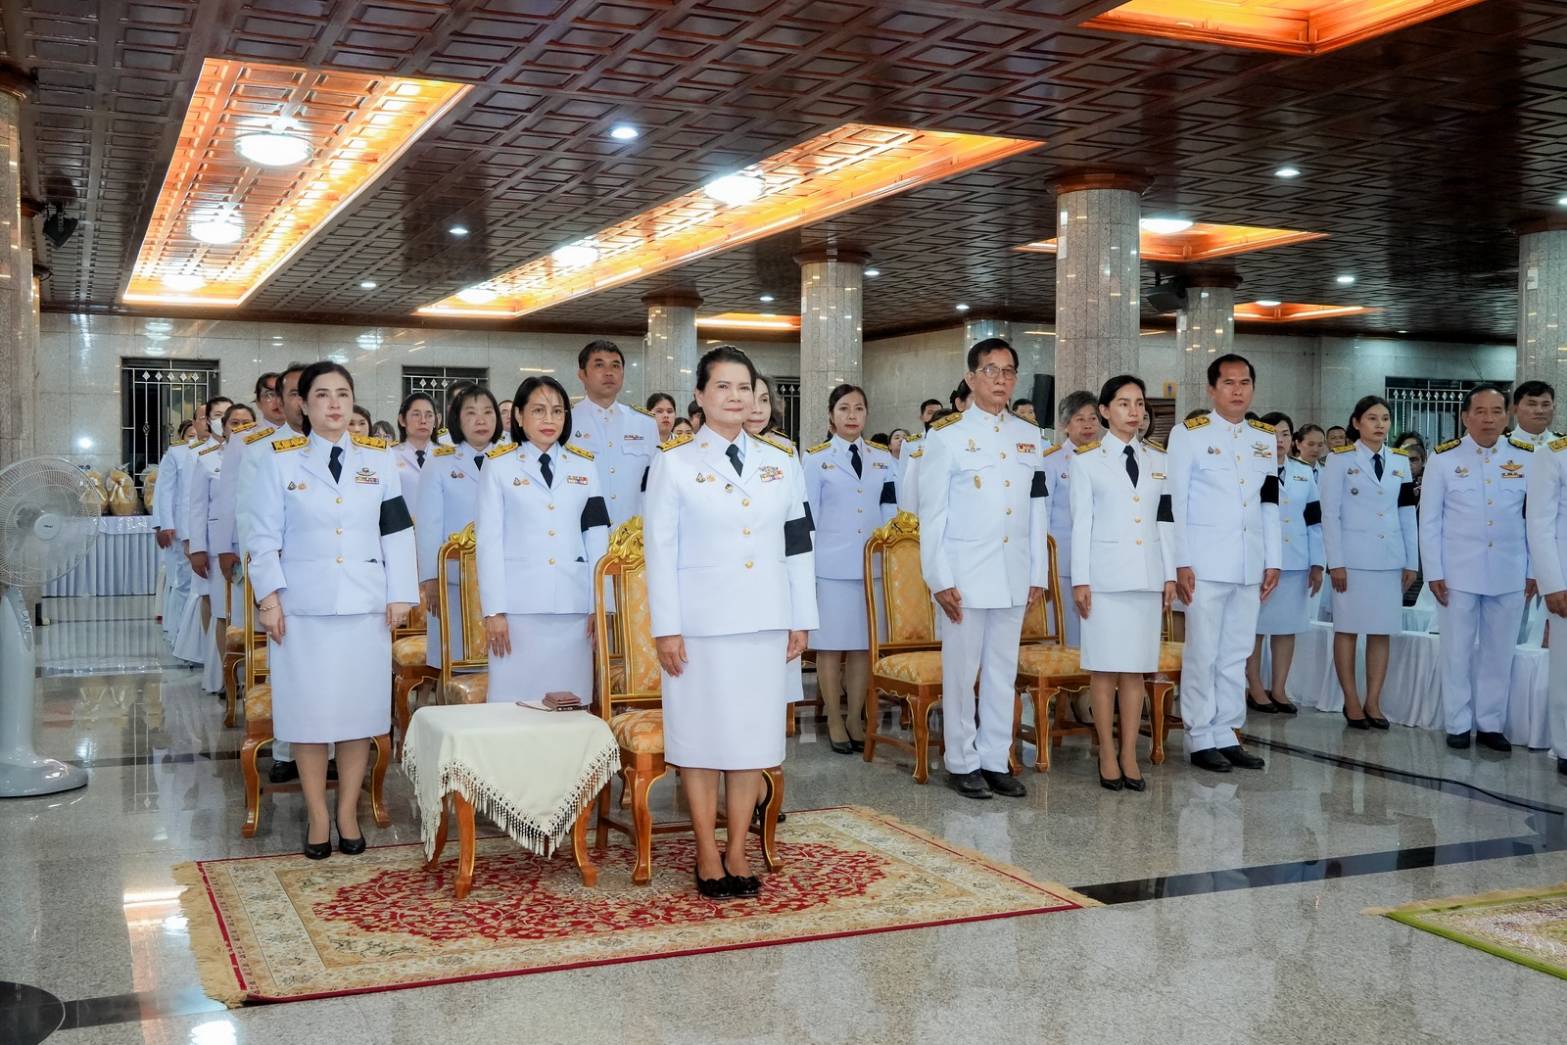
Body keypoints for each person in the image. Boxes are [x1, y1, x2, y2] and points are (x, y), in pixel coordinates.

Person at [646, 346, 817, 898]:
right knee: (700, 739)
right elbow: (659, 552)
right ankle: (705, 849)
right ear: (700, 395)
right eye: (722, 386)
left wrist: (801, 617)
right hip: (700, 625)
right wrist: (666, 628)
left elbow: (799, 543)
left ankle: (738, 847)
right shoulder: (674, 462)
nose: (735, 397)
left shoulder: (781, 460)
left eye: (744, 387)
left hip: (765, 619)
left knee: (751, 741)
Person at [249, 361, 417, 858]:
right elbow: (262, 536)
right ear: (303, 404)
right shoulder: (278, 461)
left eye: (343, 393)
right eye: (322, 394)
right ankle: (318, 815)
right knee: (308, 714)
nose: (335, 404)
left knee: (357, 714)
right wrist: (268, 599)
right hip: (302, 608)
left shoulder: (379, 459)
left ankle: (347, 812)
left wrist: (400, 593)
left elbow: (396, 530)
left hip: (365, 606)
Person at [919, 338, 1047, 800]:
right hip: (965, 574)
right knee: (961, 672)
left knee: (1001, 671)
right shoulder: (946, 435)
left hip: (1013, 572)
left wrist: (1038, 573)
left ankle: (995, 758)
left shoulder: (1029, 435)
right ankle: (961, 760)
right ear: (971, 378)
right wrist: (939, 578)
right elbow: (932, 514)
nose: (1000, 379)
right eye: (990, 370)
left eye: (1008, 371)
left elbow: (1037, 509)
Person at [1167, 353, 1279, 773]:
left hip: (1249, 562)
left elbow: (1270, 501)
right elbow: (1176, 503)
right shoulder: (1188, 435)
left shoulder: (1263, 438)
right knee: (1203, 653)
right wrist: (1181, 561)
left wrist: (1273, 559)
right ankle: (1200, 736)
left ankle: (1228, 732)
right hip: (1205, 564)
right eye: (1228, 383)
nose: (1237, 390)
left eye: (1244, 382)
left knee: (1236, 652)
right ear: (1212, 390)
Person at [1068, 375, 1173, 791]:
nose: (1134, 411)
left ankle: (1130, 752)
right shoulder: (1086, 462)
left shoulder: (1158, 460)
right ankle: (1107, 752)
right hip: (1105, 578)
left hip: (1146, 575)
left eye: (1139, 403)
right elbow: (1081, 525)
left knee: (1136, 671)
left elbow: (1166, 520)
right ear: (1105, 411)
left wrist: (1168, 573)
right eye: (1124, 403)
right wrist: (1081, 580)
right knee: (1105, 669)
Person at [478, 376, 610, 704]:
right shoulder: (498, 466)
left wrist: (599, 604)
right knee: (513, 704)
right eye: (538, 410)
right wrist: (494, 611)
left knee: (569, 703)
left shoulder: (585, 466)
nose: (549, 419)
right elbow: (489, 542)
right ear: (519, 416)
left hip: (573, 606)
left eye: (557, 411)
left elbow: (596, 537)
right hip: (517, 609)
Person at [1420, 385, 1532, 752]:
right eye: (1480, 411)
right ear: (1465, 417)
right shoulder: (1443, 459)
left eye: (1497, 411)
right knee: (1457, 650)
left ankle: (1490, 724)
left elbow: (1535, 519)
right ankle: (1457, 722)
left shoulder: (1526, 457)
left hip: (1509, 570)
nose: (1489, 419)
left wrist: (1533, 569)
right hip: (1458, 573)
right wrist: (1434, 572)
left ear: (1507, 416)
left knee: (1500, 652)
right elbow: (1429, 520)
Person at [805, 384, 898, 753]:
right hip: (830, 568)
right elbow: (808, 518)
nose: (852, 415)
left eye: (859, 408)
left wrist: (890, 560)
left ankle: (856, 717)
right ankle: (833, 718)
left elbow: (891, 511)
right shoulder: (816, 460)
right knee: (829, 647)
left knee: (862, 647)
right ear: (831, 415)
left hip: (870, 567)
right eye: (844, 408)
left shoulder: (882, 459)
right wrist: (805, 571)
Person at [1320, 395, 1417, 730]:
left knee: (1381, 630)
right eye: (1372, 418)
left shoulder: (1399, 460)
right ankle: (1351, 700)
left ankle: (1373, 701)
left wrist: (1411, 560)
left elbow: (1407, 512)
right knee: (1347, 629)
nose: (1380, 425)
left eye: (1385, 418)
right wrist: (1336, 562)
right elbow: (1330, 514)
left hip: (1389, 558)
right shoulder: (1339, 460)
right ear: (1357, 422)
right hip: (1352, 560)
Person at [235, 362, 311, 783]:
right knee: (288, 669)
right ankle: (286, 750)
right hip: (282, 582)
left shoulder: (346, 447)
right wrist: (266, 588)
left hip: (330, 581)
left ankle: (330, 747)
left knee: (329, 672)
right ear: (280, 401)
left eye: (309, 391)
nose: (303, 400)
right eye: (295, 393)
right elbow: (250, 521)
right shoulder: (261, 449)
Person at [418, 384, 501, 672]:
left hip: (502, 580)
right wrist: (431, 578)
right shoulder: (438, 463)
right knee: (455, 663)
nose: (481, 420)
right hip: (454, 580)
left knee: (500, 665)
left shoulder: (510, 459)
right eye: (471, 413)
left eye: (488, 412)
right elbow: (428, 524)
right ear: (457, 420)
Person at [1244, 412, 1322, 715]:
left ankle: (1278, 688)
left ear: (1293, 439)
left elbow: (1314, 521)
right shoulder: (1251, 469)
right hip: (1260, 562)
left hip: (1296, 561)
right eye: (1272, 434)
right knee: (1255, 629)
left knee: (1286, 628)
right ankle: (1254, 686)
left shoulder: (1303, 472)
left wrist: (1318, 563)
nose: (1279, 440)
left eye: (1285, 434)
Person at [186, 400, 251, 694]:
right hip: (219, 549)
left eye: (246, 423)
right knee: (224, 613)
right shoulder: (207, 459)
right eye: (234, 423)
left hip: (253, 545)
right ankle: (229, 680)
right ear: (222, 428)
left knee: (252, 616)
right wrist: (197, 548)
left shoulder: (266, 456)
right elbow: (197, 506)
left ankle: (255, 677)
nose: (240, 428)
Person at [572, 340, 661, 526]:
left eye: (615, 365)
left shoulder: (644, 423)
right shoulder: (567, 421)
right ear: (582, 375)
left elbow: (655, 484)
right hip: (582, 532)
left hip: (633, 535)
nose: (609, 372)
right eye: (599, 365)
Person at [1524, 424, 1567, 778]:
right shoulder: (1553, 456)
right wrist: (1551, 583)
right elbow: (1539, 525)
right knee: (1565, 666)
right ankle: (1566, 745)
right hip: (1564, 579)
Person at [1046, 390, 1103, 647]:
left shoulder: (1107, 459)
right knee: (1068, 637)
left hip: (1101, 563)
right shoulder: (1052, 462)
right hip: (1064, 564)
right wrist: (1046, 567)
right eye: (1080, 419)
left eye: (1093, 418)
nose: (1088, 425)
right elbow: (1043, 517)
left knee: (1099, 637)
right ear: (1065, 425)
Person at [391, 392, 439, 518]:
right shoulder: (389, 456)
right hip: (402, 527)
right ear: (402, 420)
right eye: (416, 414)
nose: (423, 421)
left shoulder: (448, 457)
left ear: (436, 421)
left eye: (429, 415)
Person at [1512, 380, 1558, 448]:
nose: (1540, 411)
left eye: (1545, 405)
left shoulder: (1563, 446)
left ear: (1554, 408)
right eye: (1532, 404)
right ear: (1515, 409)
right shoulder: (1499, 445)